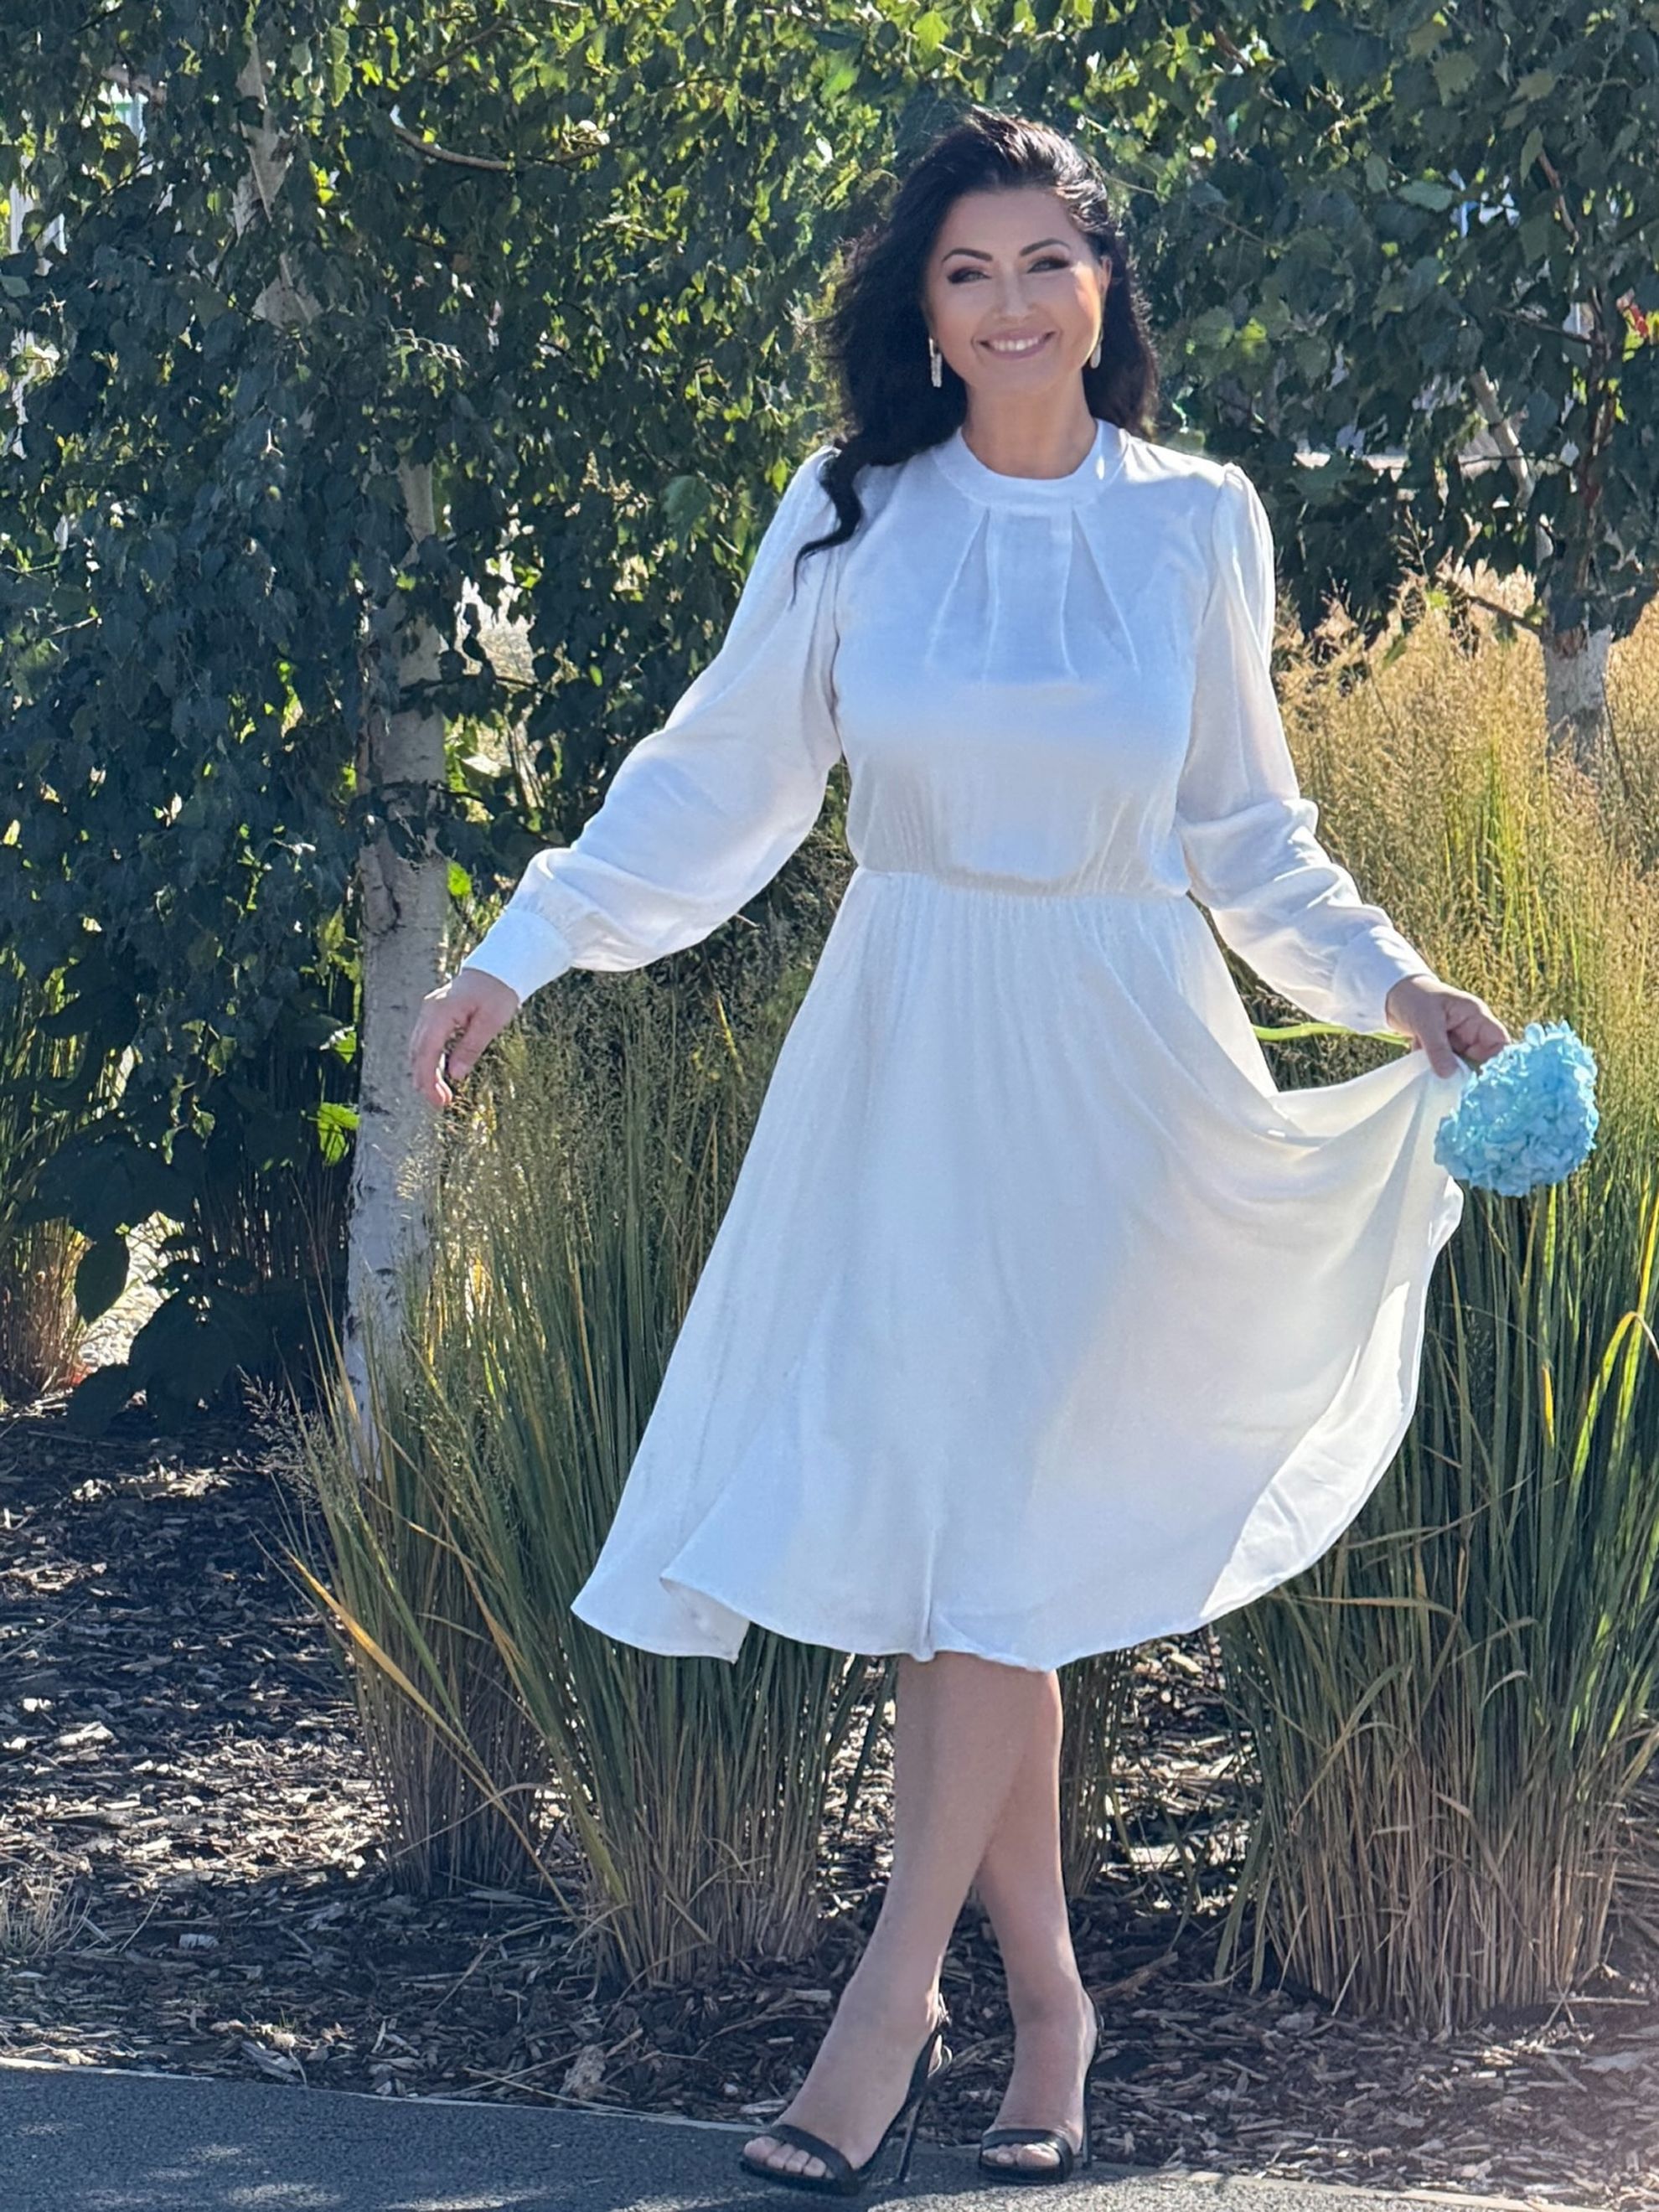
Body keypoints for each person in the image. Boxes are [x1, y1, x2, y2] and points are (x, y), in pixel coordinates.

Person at [408, 107, 1509, 2199]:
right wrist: (523, 951)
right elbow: (717, 778)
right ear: (924, 309)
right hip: (907, 1050)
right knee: (968, 1556)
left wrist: (1394, 988)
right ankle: (1054, 2011)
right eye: (968, 272)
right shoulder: (852, 514)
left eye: (1044, 264)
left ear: (1104, 287)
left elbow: (1246, 836)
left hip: (1119, 1066)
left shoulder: (1197, 524)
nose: (1012, 305)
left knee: (993, 1545)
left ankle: (893, 1998)